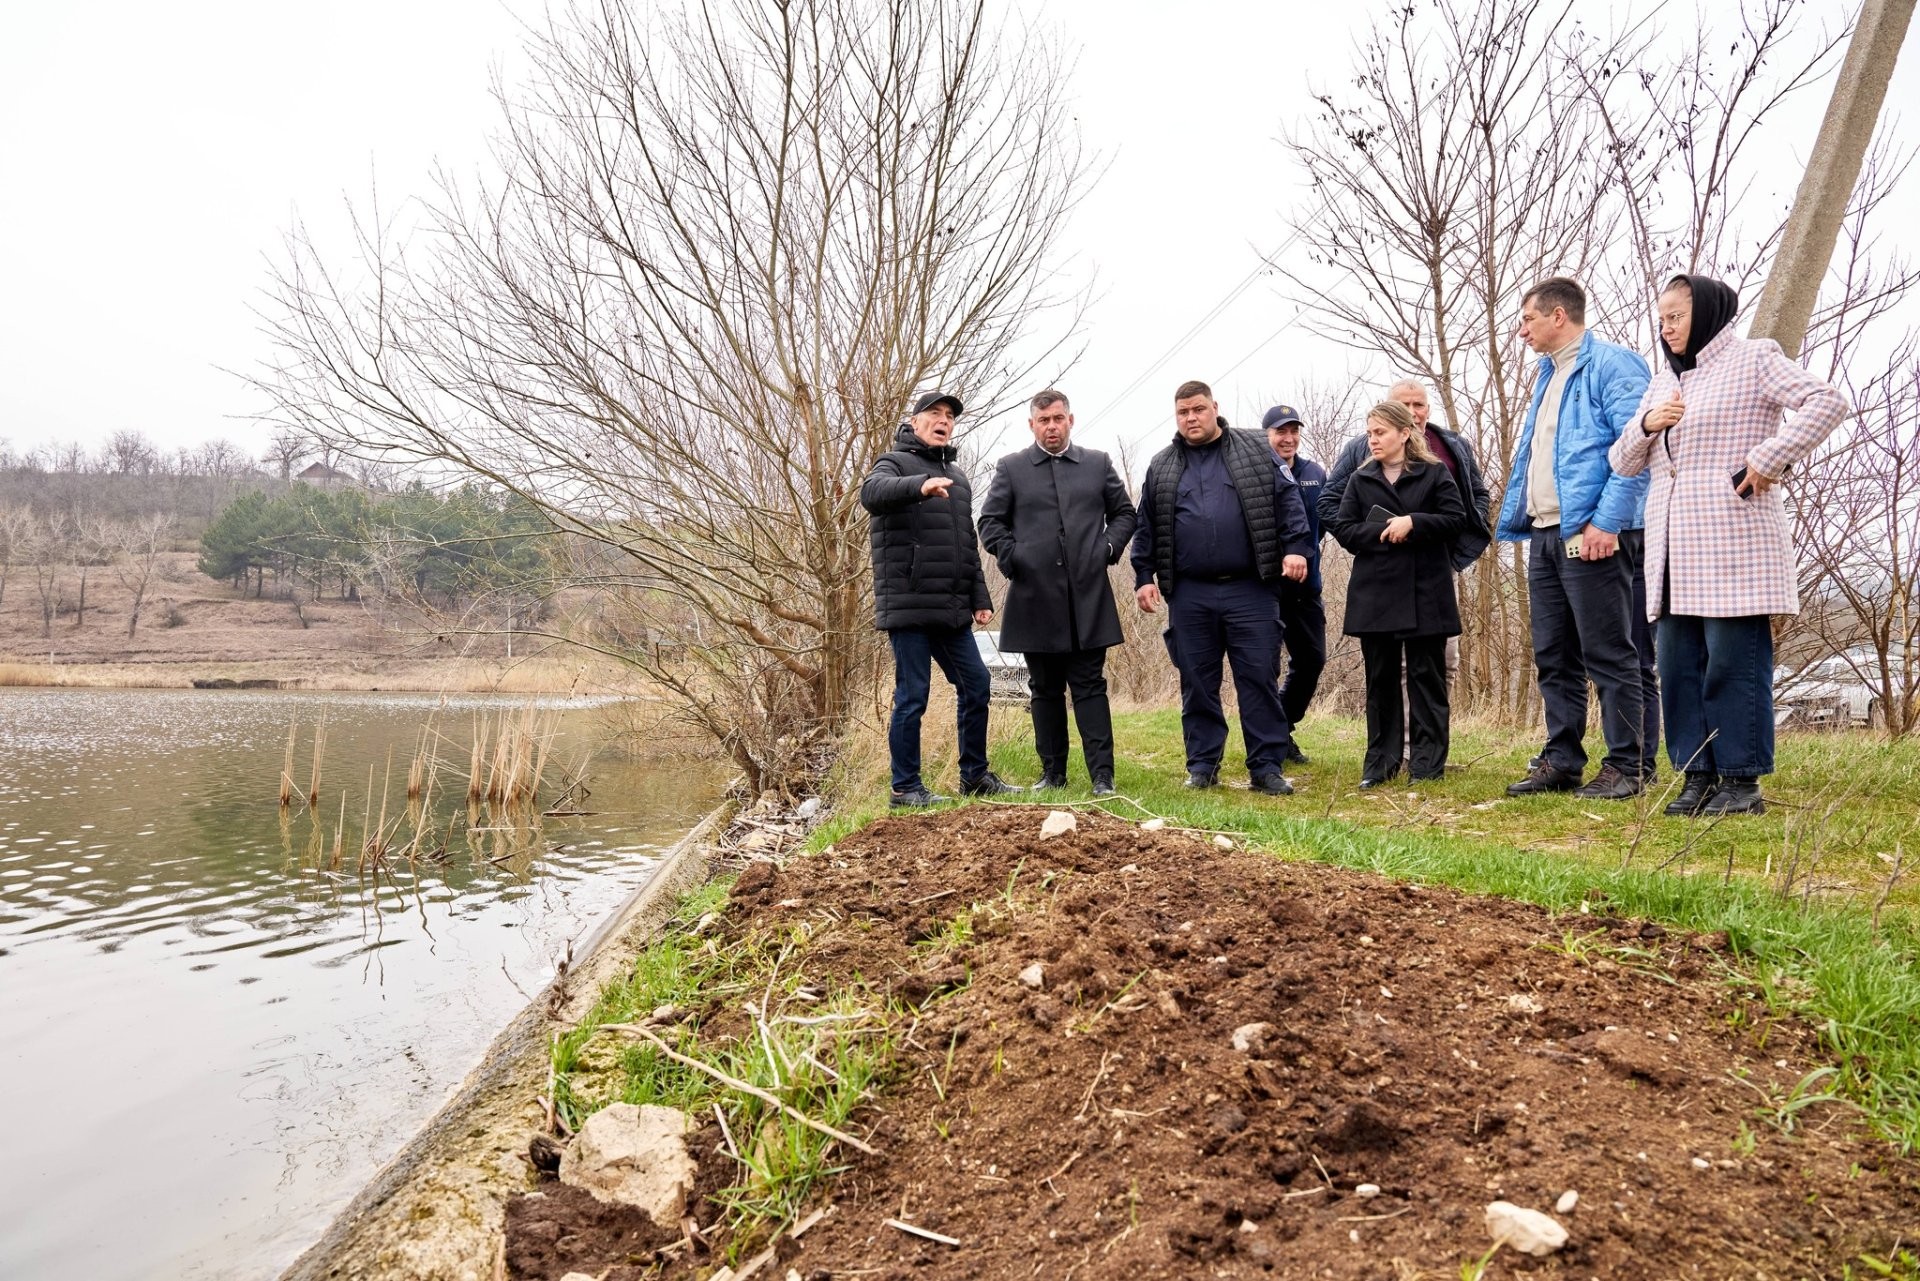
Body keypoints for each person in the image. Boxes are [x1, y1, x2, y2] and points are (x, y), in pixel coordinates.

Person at [1610, 274, 1847, 816]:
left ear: (1709, 313)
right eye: (1663, 318)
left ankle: (1741, 781)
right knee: (1678, 665)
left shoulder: (1754, 358)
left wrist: (1769, 457)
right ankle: (1696, 775)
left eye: (1677, 316)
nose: (1667, 327)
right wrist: (1648, 424)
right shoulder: (1663, 382)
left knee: (1732, 663)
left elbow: (1827, 401)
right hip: (1671, 544)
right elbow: (1621, 461)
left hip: (1732, 537)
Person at [1496, 276, 1654, 800]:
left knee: (1609, 654)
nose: (1522, 331)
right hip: (1546, 534)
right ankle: (1561, 760)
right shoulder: (1547, 375)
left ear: (1558, 316)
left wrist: (1607, 523)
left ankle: (1628, 766)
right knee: (1553, 655)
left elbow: (1638, 450)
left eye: (1527, 320)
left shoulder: (1614, 365)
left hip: (1594, 534)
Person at [1131, 380, 1313, 795]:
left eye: (1198, 409)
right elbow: (1148, 527)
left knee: (1258, 680)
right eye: (1183, 412)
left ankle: (1266, 768)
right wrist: (1143, 576)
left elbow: (1289, 505)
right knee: (1196, 682)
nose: (1191, 418)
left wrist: (1297, 549)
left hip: (1252, 589)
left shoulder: (1254, 450)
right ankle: (1202, 765)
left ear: (1215, 407)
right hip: (1190, 594)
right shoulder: (1161, 465)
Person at [861, 391, 1020, 807]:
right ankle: (905, 788)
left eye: (949, 415)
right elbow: (871, 494)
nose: (943, 420)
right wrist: (920, 486)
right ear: (915, 422)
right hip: (910, 604)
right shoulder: (893, 462)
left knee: (978, 684)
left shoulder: (960, 478)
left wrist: (978, 595)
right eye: (934, 413)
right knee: (913, 696)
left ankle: (975, 776)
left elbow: (965, 543)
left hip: (951, 609)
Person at [977, 388, 1138, 797]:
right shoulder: (1011, 468)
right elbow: (990, 523)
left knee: (1090, 686)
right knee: (1044, 690)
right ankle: (1053, 775)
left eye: (1058, 418)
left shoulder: (1097, 463)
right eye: (1043, 420)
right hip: (1035, 599)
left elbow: (1124, 514)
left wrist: (1107, 547)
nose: (1052, 426)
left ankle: (1103, 778)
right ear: (1032, 425)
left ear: (1071, 419)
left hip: (1088, 597)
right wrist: (1014, 557)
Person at [1318, 379, 1491, 744]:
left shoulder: (1452, 446)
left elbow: (1473, 500)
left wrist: (1455, 554)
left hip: (1435, 572)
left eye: (1420, 404)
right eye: (1405, 405)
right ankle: (1401, 748)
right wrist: (1375, 537)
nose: (1415, 413)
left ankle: (1429, 749)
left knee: (1443, 661)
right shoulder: (1360, 452)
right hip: (1383, 576)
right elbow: (1329, 504)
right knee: (1391, 666)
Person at [1329, 401, 1468, 786]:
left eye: (1381, 432)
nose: (1373, 439)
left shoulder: (1435, 474)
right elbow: (1344, 529)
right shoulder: (1361, 479)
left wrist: (1414, 523)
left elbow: (1456, 520)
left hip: (1427, 590)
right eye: (1370, 432)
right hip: (1376, 592)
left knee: (1428, 680)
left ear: (1404, 434)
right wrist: (1384, 530)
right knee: (1381, 682)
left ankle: (1427, 767)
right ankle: (1381, 764)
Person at [1263, 404, 1327, 760]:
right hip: (1266, 589)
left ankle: (1282, 725)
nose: (1288, 438)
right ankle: (1271, 741)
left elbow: (1328, 520)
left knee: (1312, 660)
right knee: (1265, 666)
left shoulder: (1315, 473)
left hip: (1306, 590)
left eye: (1293, 431)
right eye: (1280, 432)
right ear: (1267, 435)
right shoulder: (1256, 472)